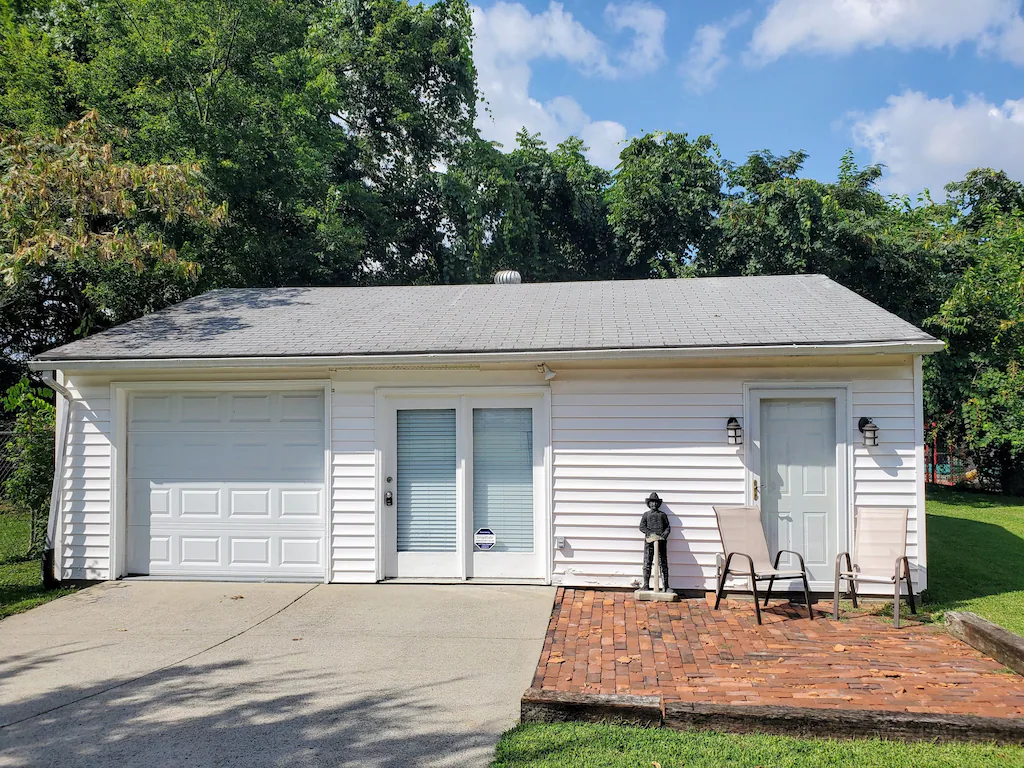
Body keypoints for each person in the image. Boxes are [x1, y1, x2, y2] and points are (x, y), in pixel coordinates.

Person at [639, 491, 670, 592]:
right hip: (649, 542)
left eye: (656, 502)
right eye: (652, 502)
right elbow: (642, 527)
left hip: (661, 542)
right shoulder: (646, 515)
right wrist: (650, 533)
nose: (654, 504)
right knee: (647, 563)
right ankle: (646, 585)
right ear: (649, 504)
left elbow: (667, 527)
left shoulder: (662, 515)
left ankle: (666, 586)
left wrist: (664, 535)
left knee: (663, 563)